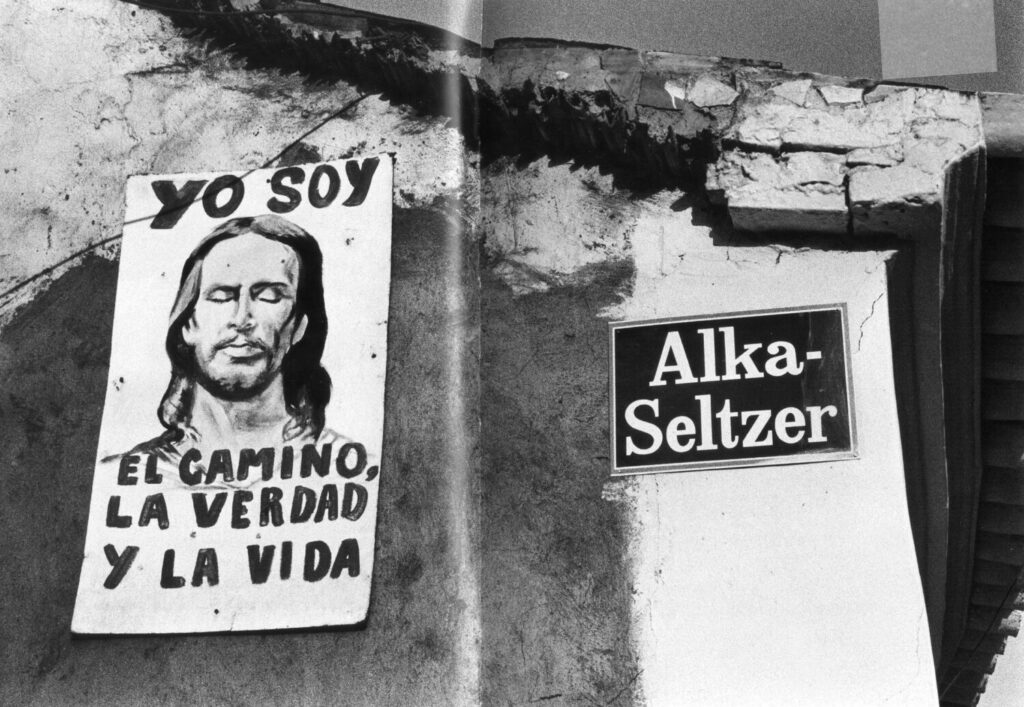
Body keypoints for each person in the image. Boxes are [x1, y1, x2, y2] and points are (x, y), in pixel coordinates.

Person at [125, 214, 343, 470]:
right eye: (221, 297)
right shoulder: (132, 472)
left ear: (299, 327)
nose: (241, 319)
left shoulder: (346, 468)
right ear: (187, 323)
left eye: (269, 296)